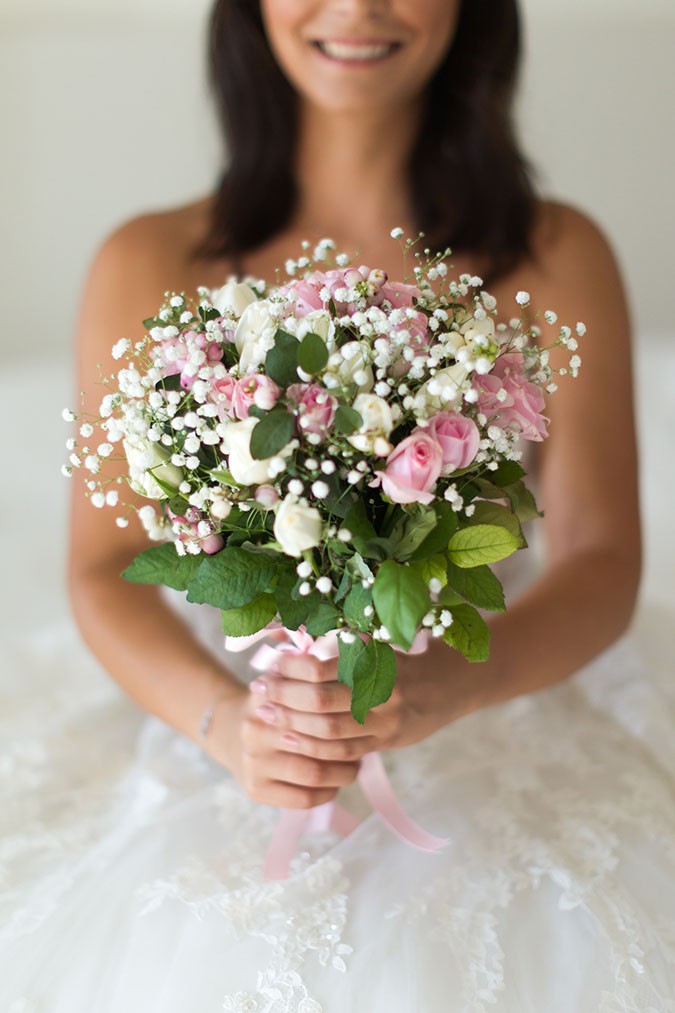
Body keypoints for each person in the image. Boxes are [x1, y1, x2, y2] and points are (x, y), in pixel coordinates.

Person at [1, 1, 673, 1010]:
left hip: (492, 696)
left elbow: (599, 556)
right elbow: (106, 568)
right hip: (221, 721)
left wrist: (442, 686)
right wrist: (229, 724)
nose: (357, 8)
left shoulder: (555, 254)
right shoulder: (148, 258)